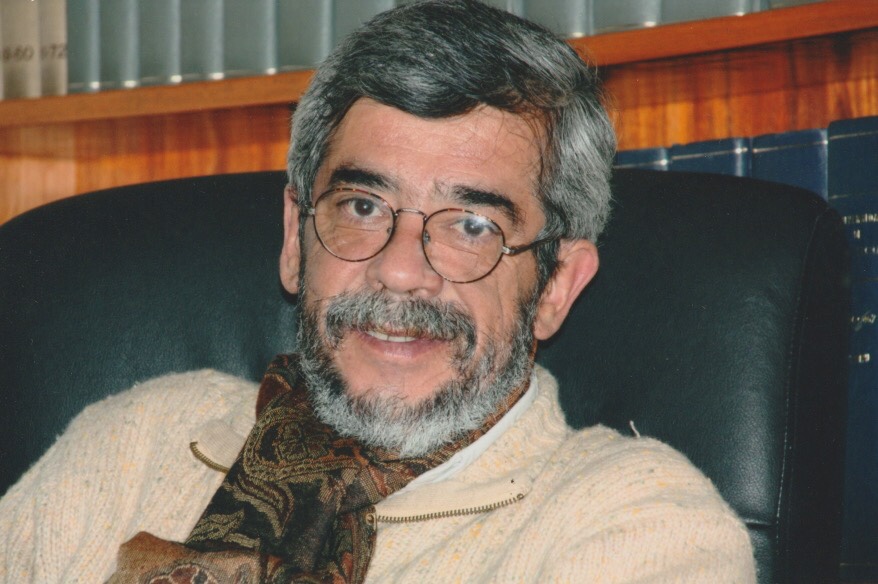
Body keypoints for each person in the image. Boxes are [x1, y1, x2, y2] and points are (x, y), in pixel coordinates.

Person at [0, 1, 756, 582]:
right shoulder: (132, 445)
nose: (399, 270)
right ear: (295, 239)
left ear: (556, 284)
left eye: (470, 225)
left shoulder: (641, 526)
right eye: (363, 207)